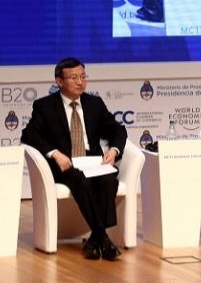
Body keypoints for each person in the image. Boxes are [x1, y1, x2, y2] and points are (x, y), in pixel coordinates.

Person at [21, 57, 128, 260]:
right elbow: (29, 135)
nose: (80, 82)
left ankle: (96, 238)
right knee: (79, 179)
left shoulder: (94, 103)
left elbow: (117, 130)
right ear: (59, 81)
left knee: (108, 179)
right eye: (74, 78)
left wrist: (114, 151)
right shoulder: (45, 106)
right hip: (65, 163)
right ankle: (103, 238)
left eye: (83, 76)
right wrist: (55, 153)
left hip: (93, 161)